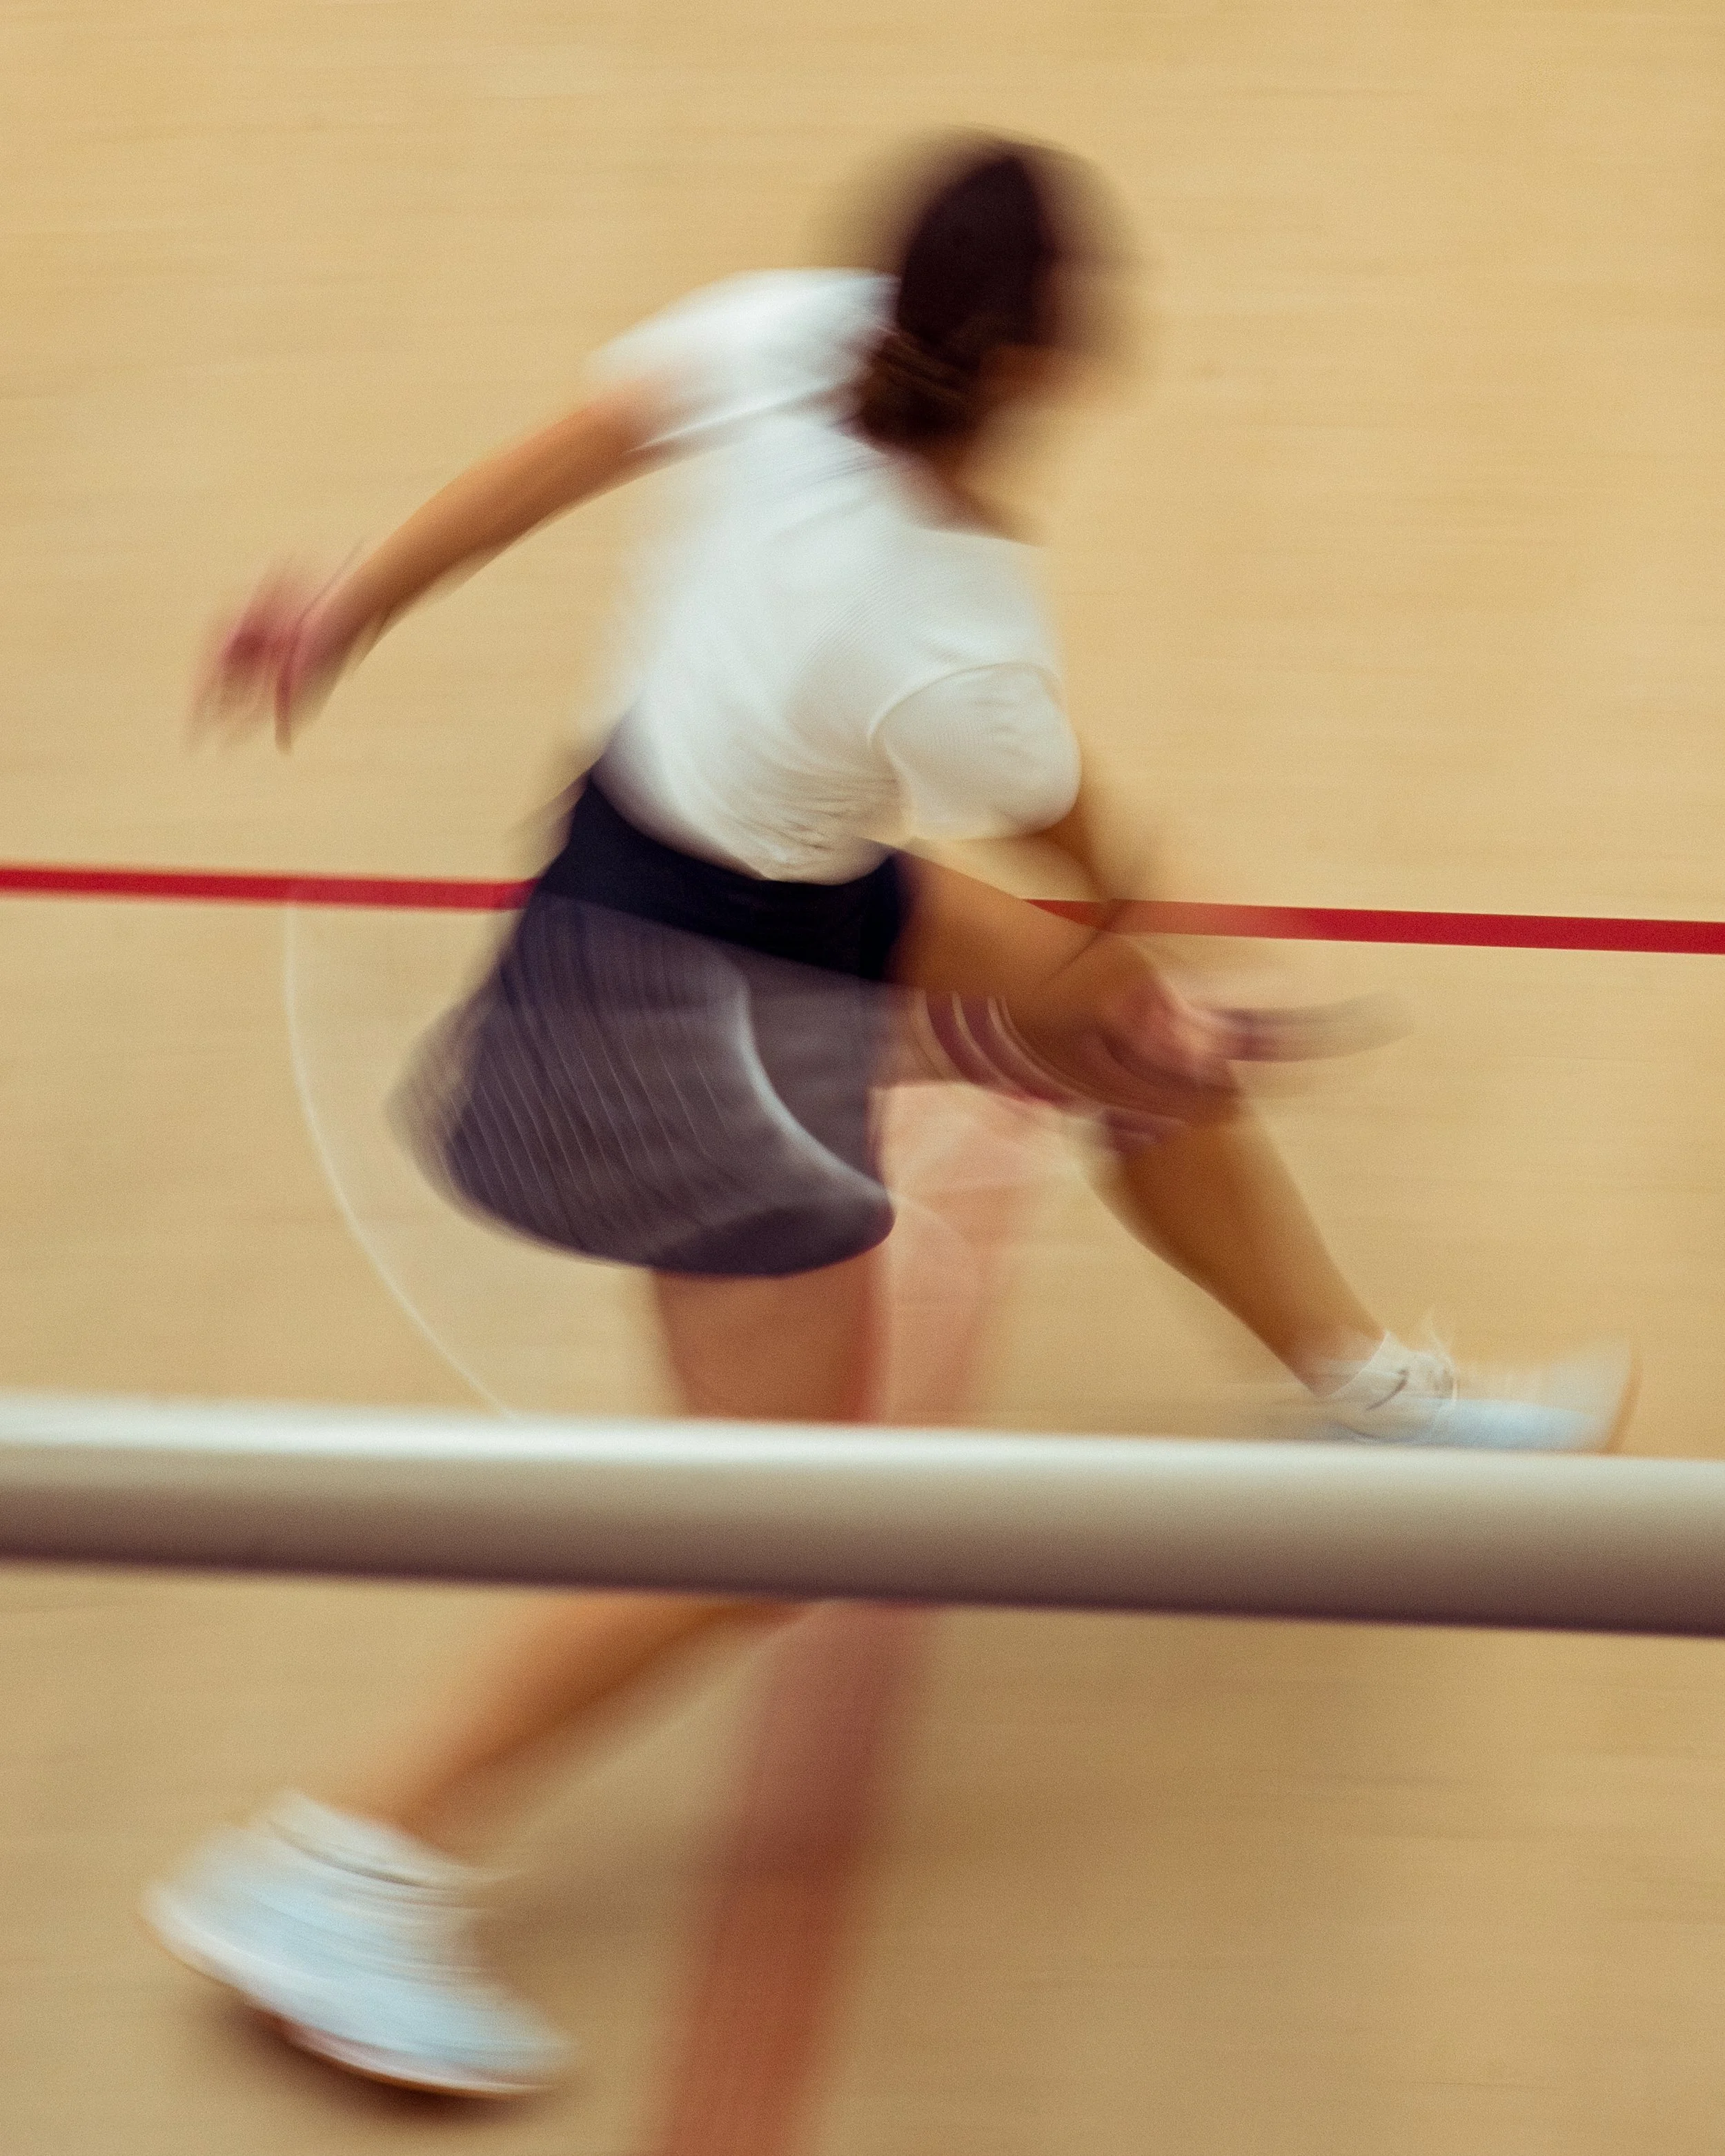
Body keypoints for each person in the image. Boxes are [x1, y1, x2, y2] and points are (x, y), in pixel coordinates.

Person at [145, 139, 1632, 2097]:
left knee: (1136, 1053)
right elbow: (1071, 824)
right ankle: (333, 1867)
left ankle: (1355, 1390)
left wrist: (348, 605)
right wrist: (1142, 940)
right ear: (1045, 360)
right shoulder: (953, 624)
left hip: (718, 858)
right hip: (660, 999)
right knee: (767, 1516)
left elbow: (544, 463)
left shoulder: (782, 335)